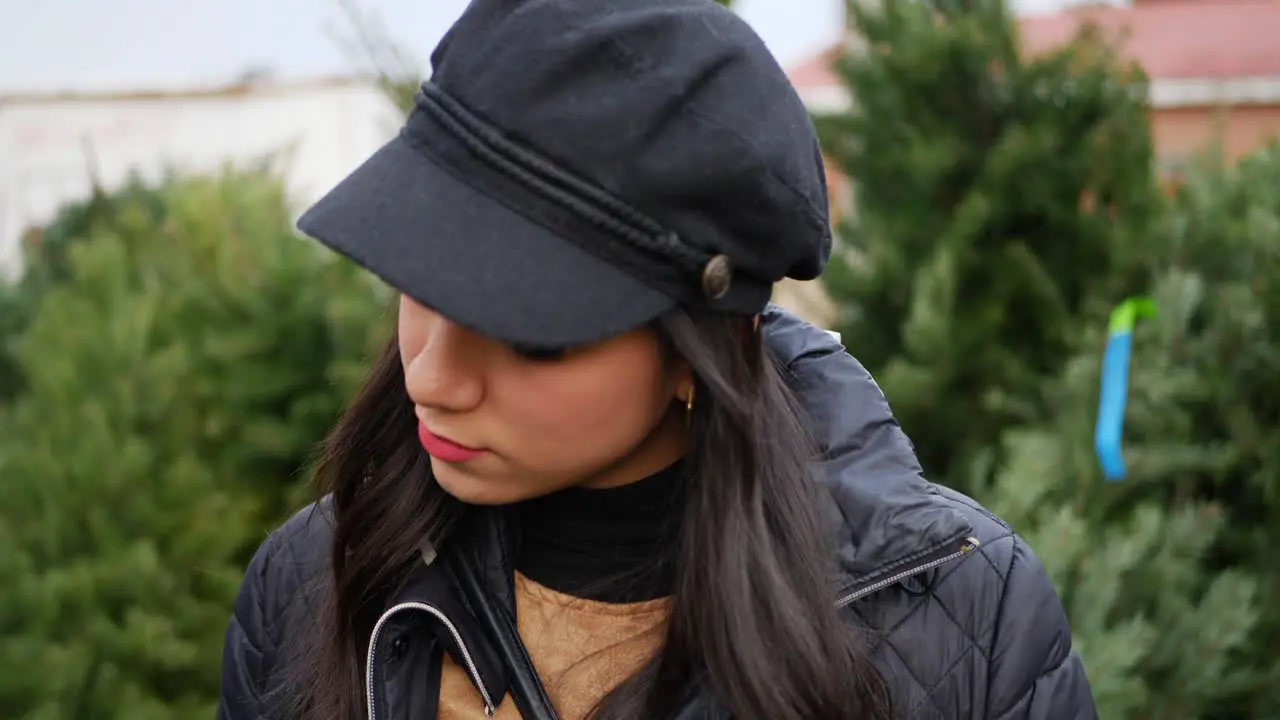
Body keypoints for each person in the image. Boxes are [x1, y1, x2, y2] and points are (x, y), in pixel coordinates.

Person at [216, 0, 1097, 718]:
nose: (431, 377)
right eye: (417, 287)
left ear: (701, 350)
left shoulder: (959, 616)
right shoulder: (319, 575)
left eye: (527, 333)